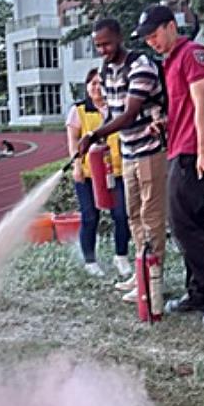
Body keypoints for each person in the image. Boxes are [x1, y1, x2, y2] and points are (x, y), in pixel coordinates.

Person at [133, 4, 204, 328]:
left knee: (182, 225)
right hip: (178, 150)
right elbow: (184, 110)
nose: (151, 42)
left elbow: (202, 105)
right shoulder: (170, 63)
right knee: (195, 221)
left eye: (154, 34)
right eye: (147, 38)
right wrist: (165, 123)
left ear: (171, 26)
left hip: (193, 155)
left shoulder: (195, 54)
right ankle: (198, 291)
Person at [78, 18, 168, 304]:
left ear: (118, 37)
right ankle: (140, 272)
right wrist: (96, 142)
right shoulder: (106, 70)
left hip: (150, 151)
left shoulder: (140, 66)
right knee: (133, 216)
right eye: (98, 46)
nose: (102, 50)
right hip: (128, 153)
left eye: (106, 43)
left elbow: (128, 115)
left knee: (151, 217)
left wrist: (93, 135)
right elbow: (111, 113)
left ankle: (154, 280)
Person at [66, 68, 131, 277]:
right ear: (86, 86)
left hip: (116, 171)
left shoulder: (118, 108)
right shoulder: (79, 111)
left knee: (121, 215)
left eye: (100, 83)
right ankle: (90, 261)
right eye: (92, 83)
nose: (96, 87)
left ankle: (121, 256)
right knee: (90, 216)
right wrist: (76, 166)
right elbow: (73, 141)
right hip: (87, 174)